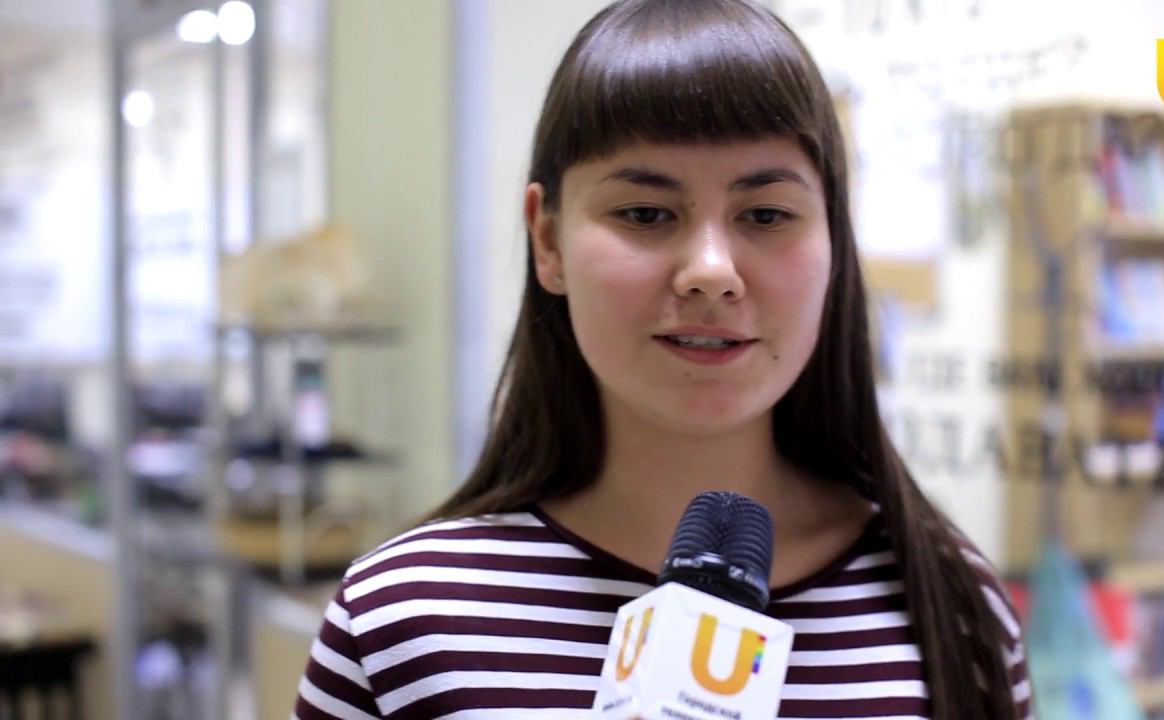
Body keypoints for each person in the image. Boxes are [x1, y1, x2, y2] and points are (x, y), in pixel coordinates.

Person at [293, 1, 1032, 718]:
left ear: (834, 238)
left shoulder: (952, 608)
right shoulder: (398, 621)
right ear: (547, 241)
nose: (711, 270)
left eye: (766, 214)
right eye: (645, 214)